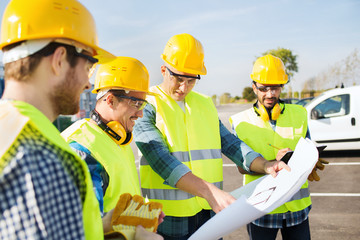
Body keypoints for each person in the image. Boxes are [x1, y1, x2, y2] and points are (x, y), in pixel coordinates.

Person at [133, 33, 290, 240]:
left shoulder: (205, 104)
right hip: (168, 217)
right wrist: (210, 192)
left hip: (209, 212)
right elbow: (161, 160)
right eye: (178, 79)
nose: (184, 87)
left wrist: (265, 165)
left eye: (191, 80)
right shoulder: (145, 105)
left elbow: (231, 144)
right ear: (164, 70)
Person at [0, 0, 115, 239]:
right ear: (59, 59)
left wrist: (104, 225)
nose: (87, 84)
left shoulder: (8, 128)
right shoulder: (44, 158)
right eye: (88, 66)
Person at [61, 56, 164, 239]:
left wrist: (138, 217)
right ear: (110, 100)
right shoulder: (82, 148)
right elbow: (84, 230)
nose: (140, 113)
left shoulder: (116, 139)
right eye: (136, 103)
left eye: (143, 104)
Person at [229, 54, 312, 240]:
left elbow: (309, 149)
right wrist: (274, 163)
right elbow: (241, 167)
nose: (269, 94)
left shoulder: (300, 114)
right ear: (254, 87)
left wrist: (309, 161)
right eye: (263, 88)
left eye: (275, 88)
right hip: (260, 209)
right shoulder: (241, 122)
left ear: (282, 86)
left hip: (296, 209)